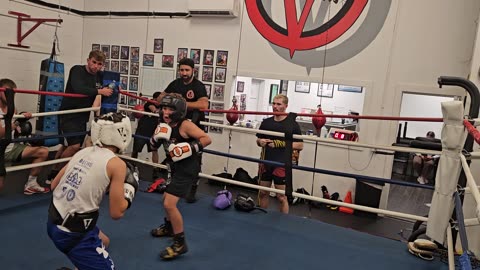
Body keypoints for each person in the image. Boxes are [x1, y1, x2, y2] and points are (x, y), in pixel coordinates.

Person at [47, 112, 138, 269]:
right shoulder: (117, 164)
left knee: (105, 241)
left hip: (53, 222)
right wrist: (130, 190)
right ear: (124, 133)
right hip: (72, 234)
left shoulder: (83, 151)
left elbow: (54, 185)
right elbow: (116, 213)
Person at [149, 93, 211, 260]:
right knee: (165, 200)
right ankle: (169, 227)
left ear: (179, 111)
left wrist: (188, 148)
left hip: (187, 169)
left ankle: (180, 243)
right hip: (174, 167)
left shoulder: (185, 125)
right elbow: (153, 144)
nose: (166, 112)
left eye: (170, 109)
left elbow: (206, 139)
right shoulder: (163, 123)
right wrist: (154, 140)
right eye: (164, 108)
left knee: (170, 204)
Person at [47, 50, 113, 183]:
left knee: (68, 146)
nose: (96, 66)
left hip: (83, 115)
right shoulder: (77, 70)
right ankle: (60, 175)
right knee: (75, 146)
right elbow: (79, 88)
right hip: (69, 113)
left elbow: (97, 95)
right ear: (88, 60)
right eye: (94, 62)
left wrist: (97, 115)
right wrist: (101, 91)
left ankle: (53, 174)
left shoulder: (98, 76)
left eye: (99, 64)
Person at [162, 58, 209, 203]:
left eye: (187, 70)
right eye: (182, 70)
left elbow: (204, 104)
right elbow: (160, 98)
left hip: (193, 127)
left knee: (194, 159)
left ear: (193, 71)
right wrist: (167, 99)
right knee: (174, 156)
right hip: (176, 126)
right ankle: (173, 186)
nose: (184, 73)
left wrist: (181, 104)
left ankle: (193, 189)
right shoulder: (175, 84)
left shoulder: (198, 86)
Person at [0, 78, 50, 194]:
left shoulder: (12, 108)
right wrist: (14, 124)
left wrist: (22, 117)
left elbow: (15, 127)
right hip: (0, 150)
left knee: (43, 152)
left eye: (13, 94)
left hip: (12, 147)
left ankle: (31, 184)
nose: (10, 96)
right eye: (7, 93)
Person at [256, 94, 303, 214]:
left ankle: (284, 224)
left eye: (279, 104)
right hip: (266, 162)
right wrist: (260, 142)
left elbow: (300, 145)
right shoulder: (266, 122)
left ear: (285, 106)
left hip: (281, 163)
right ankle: (260, 219)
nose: (275, 106)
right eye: (274, 103)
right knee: (262, 193)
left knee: (281, 197)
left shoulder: (291, 124)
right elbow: (258, 140)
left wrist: (279, 143)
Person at [132, 92, 161, 179]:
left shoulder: (162, 105)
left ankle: (155, 170)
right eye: (161, 97)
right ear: (155, 98)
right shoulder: (149, 103)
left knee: (154, 150)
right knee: (136, 150)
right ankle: (133, 166)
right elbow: (154, 110)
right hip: (142, 130)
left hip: (153, 131)